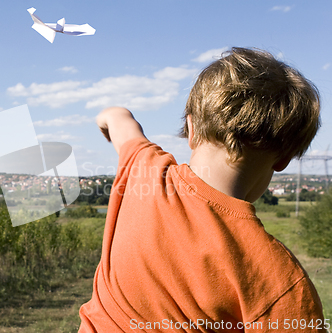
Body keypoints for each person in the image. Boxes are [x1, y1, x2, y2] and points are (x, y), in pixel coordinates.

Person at [78, 47, 327, 332]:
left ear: (191, 129)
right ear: (285, 157)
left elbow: (115, 116)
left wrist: (107, 122)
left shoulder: (143, 170)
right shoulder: (280, 281)